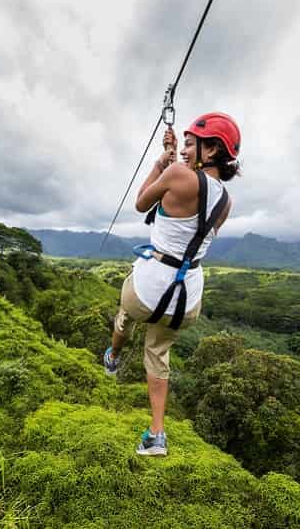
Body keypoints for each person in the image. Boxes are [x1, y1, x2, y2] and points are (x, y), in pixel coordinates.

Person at [104, 112, 241, 456]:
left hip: (148, 289)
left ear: (211, 150)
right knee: (158, 352)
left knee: (126, 314)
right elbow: (194, 204)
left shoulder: (177, 173)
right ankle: (156, 435)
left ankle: (113, 357)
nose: (183, 151)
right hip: (186, 300)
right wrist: (174, 155)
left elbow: (141, 203)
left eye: (190, 144)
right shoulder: (225, 201)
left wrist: (159, 164)